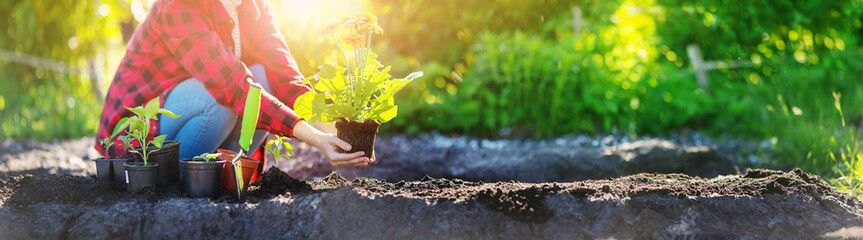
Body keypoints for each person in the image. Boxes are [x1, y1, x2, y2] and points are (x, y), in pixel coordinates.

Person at [94, 0, 373, 168]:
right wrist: (313, 139)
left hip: (199, 113)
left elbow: (284, 73)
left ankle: (224, 171)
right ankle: (177, 176)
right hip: (143, 131)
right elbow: (232, 85)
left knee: (265, 75)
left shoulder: (254, 7)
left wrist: (333, 131)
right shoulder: (179, 6)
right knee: (220, 100)